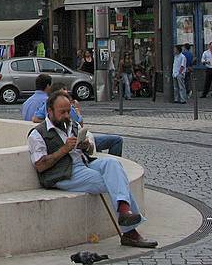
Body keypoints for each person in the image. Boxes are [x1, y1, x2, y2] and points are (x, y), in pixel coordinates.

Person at [28, 89, 155, 248]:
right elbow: (40, 165)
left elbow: (87, 151)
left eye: (68, 111)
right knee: (114, 181)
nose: (67, 115)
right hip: (63, 174)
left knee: (113, 165)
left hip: (84, 163)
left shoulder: (71, 125)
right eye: (62, 112)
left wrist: (85, 146)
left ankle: (124, 211)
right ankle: (130, 231)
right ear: (49, 111)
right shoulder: (37, 134)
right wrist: (63, 150)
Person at [26, 80, 123, 157]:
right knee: (117, 140)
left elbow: (34, 118)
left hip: (76, 151)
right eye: (64, 91)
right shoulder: (66, 106)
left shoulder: (47, 104)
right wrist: (77, 109)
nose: (66, 115)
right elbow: (80, 123)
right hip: (72, 152)